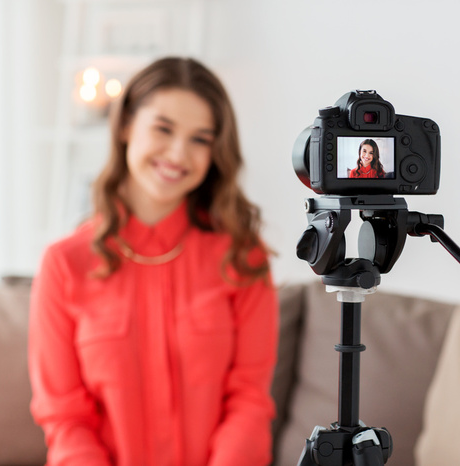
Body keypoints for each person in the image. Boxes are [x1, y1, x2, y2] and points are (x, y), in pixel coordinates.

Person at [28, 57, 278, 466]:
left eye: (201, 138)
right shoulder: (64, 265)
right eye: (163, 129)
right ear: (126, 124)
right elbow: (65, 419)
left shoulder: (243, 258)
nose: (179, 153)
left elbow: (249, 402)